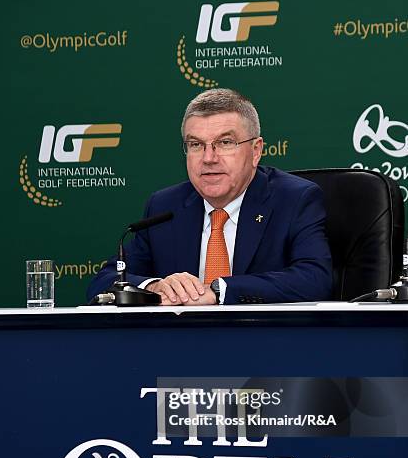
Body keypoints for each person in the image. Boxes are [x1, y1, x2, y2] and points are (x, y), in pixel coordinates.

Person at [88, 88, 332, 305]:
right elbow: (105, 280)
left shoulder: (294, 199)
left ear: (256, 151)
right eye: (195, 145)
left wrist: (219, 291)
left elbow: (314, 279)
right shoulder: (165, 206)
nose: (208, 158)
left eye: (225, 142)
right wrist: (154, 287)